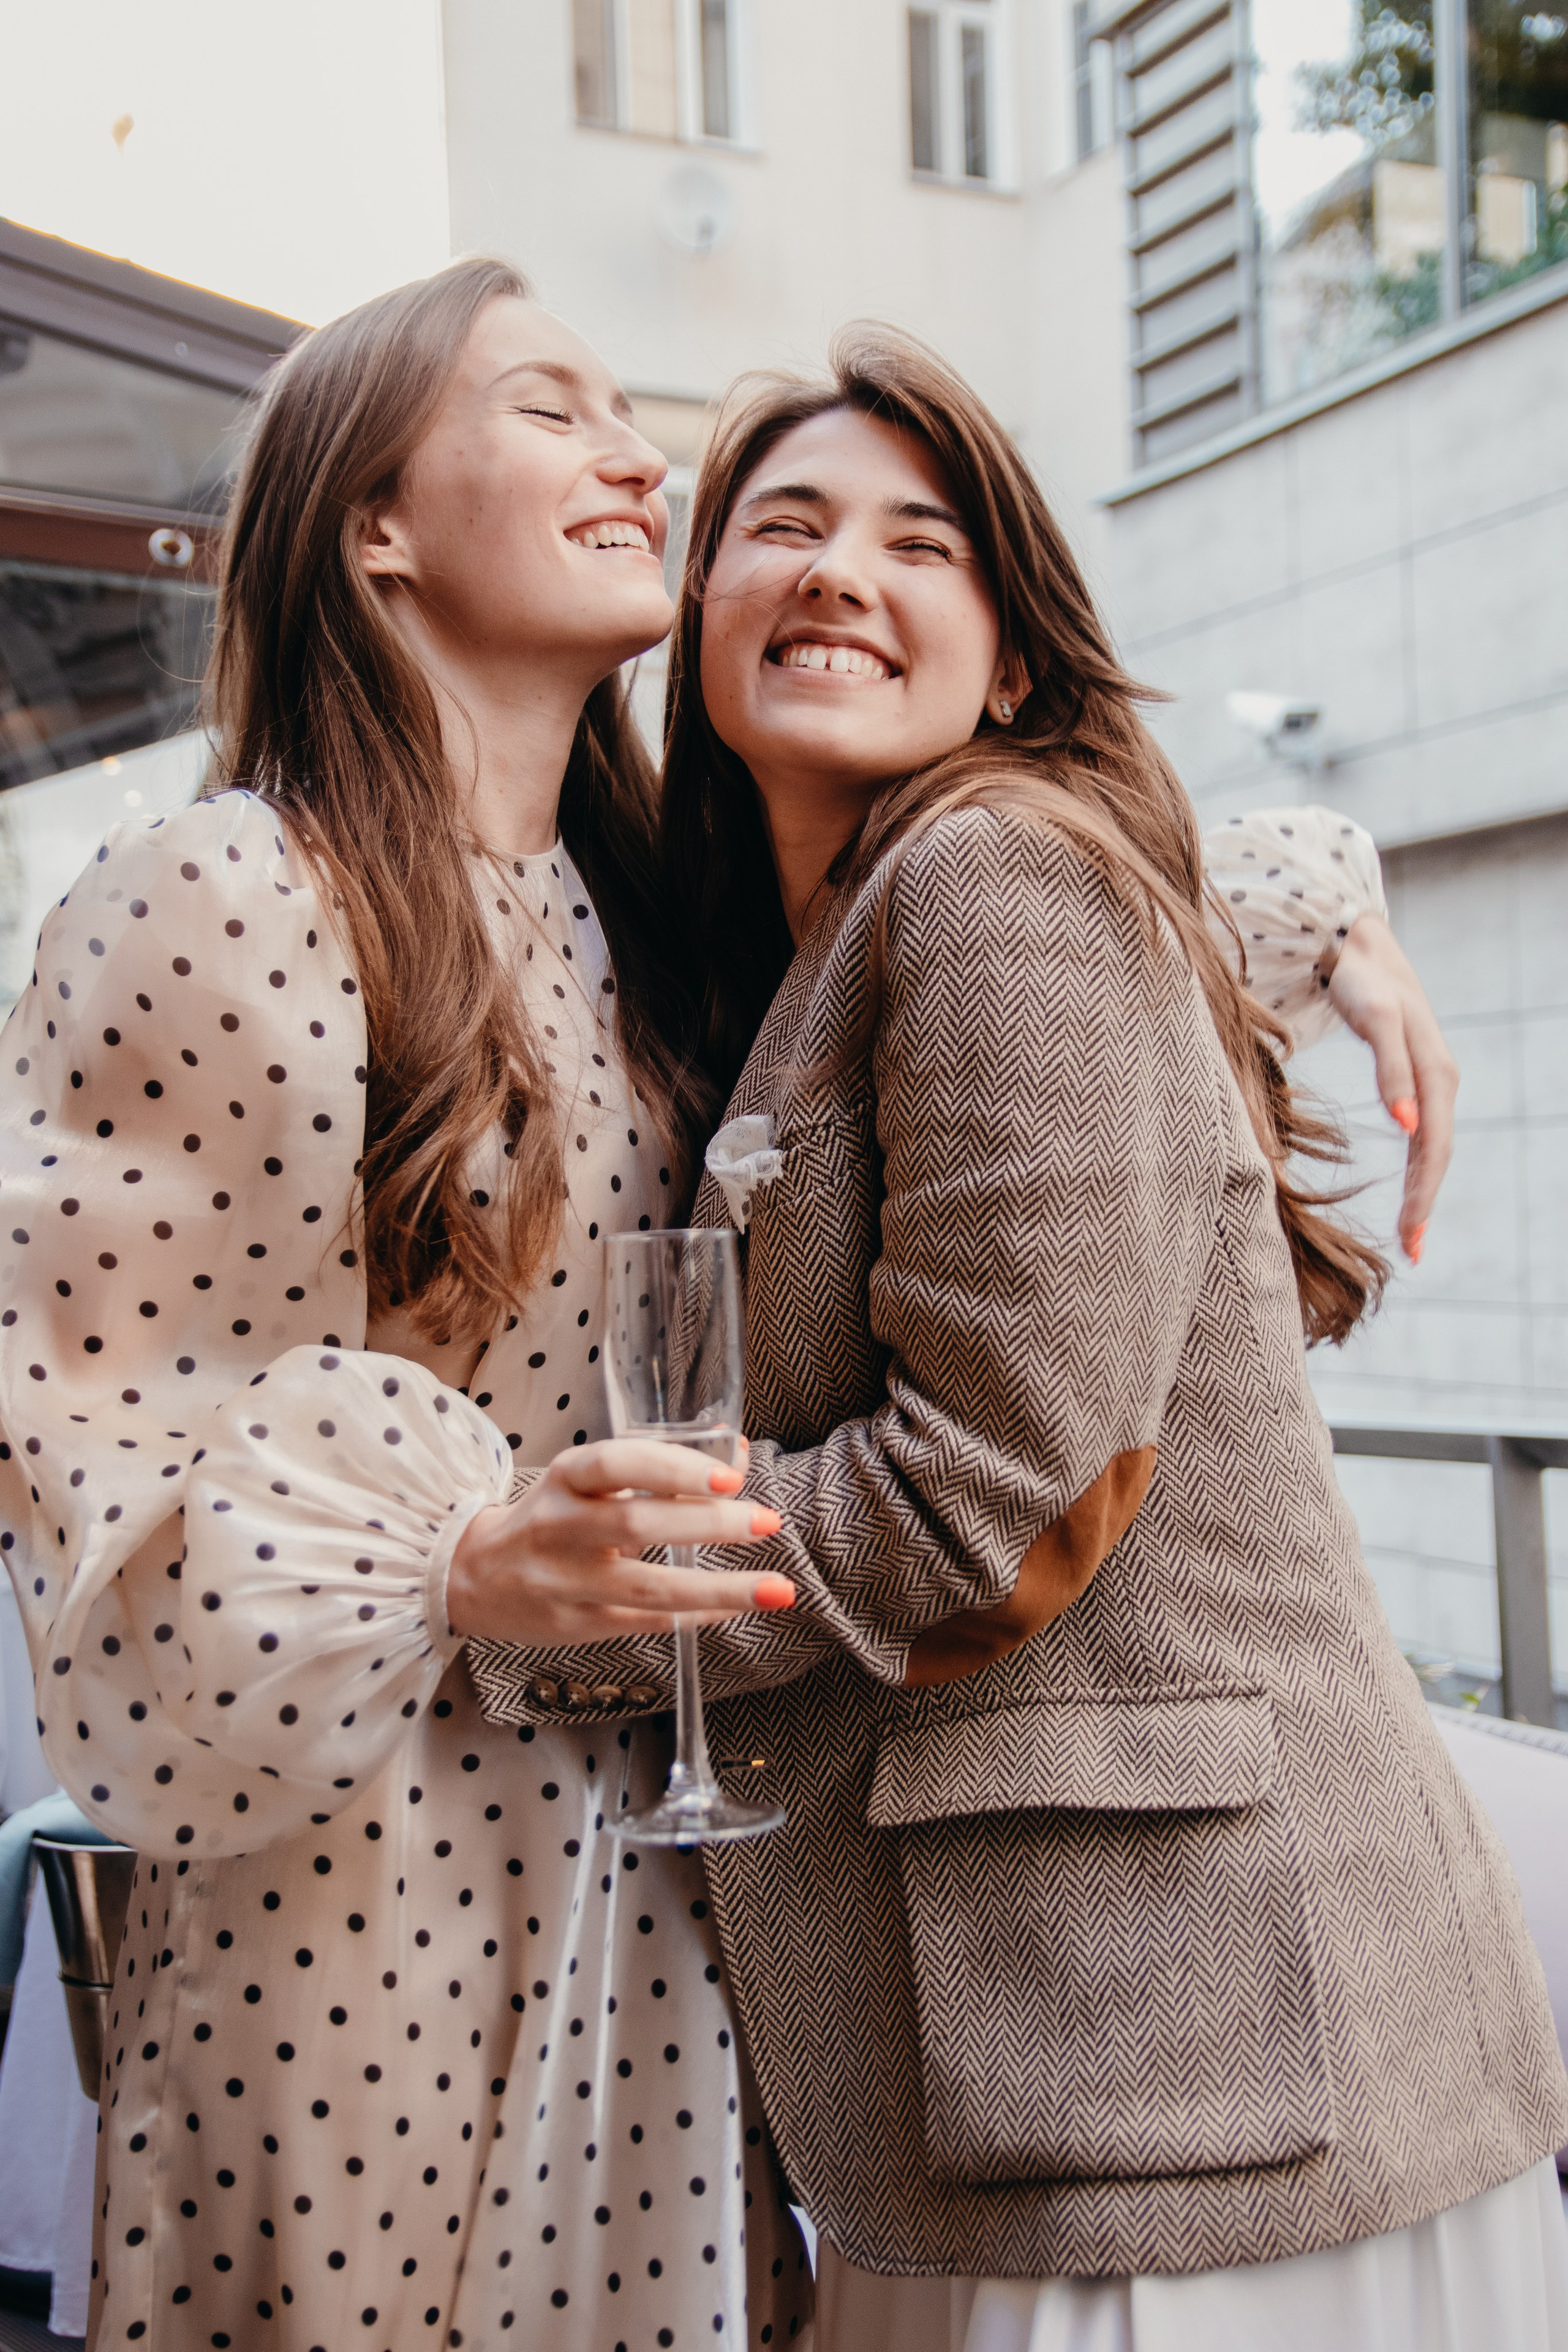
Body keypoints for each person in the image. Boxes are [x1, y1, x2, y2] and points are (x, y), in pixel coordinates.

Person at [471, 327, 1568, 2351]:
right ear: (694, 607)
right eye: (781, 526)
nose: (835, 572)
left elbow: (999, 1489)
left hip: (1177, 2067)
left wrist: (541, 1612)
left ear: (1016, 662)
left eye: (921, 543)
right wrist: (1326, 896)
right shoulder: (812, 940)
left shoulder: (989, 879)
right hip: (1062, 2049)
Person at [0, 258, 815, 2352]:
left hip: (659, 1886)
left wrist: (1324, 911)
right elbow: (100, 1451)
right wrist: (450, 1556)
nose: (641, 456)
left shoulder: (655, 911)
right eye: (552, 408)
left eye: (628, 417)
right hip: (361, 1903)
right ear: (375, 522)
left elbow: (999, 942)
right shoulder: (232, 895)